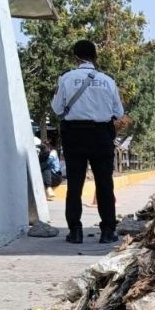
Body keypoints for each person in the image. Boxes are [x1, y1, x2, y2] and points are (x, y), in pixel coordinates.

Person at [50, 40, 124, 244]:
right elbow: (119, 112)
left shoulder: (66, 79)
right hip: (101, 136)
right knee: (104, 185)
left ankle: (75, 231)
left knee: (74, 185)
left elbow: (57, 109)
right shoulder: (108, 81)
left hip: (74, 136)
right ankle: (108, 231)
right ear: (95, 57)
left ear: (75, 57)